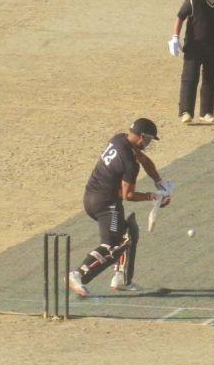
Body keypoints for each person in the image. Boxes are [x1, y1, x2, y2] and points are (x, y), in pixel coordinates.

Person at [68, 118, 171, 297]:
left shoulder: (119, 139)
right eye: (147, 140)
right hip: (106, 204)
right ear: (141, 136)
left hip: (91, 196)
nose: (147, 144)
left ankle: (121, 278)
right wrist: (152, 196)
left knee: (129, 232)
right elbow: (127, 195)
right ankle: (77, 275)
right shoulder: (129, 163)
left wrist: (158, 181)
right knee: (113, 244)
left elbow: (145, 161)